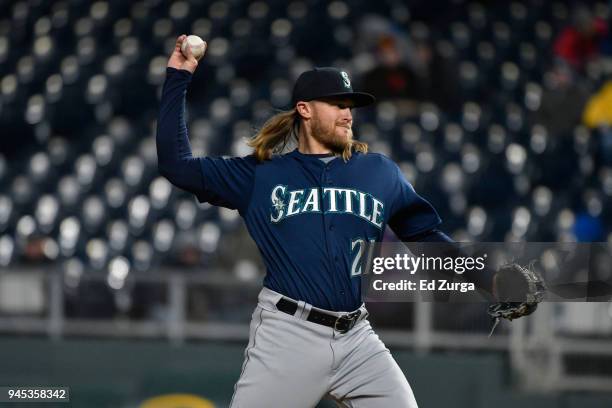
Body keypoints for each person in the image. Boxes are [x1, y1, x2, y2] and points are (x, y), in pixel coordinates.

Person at [156, 35, 534, 408]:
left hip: (356, 337)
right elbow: (177, 166)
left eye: (350, 104)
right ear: (304, 110)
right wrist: (178, 76)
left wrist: (489, 280)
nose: (347, 113)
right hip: (288, 335)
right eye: (337, 104)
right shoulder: (261, 175)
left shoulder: (379, 173)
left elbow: (428, 238)